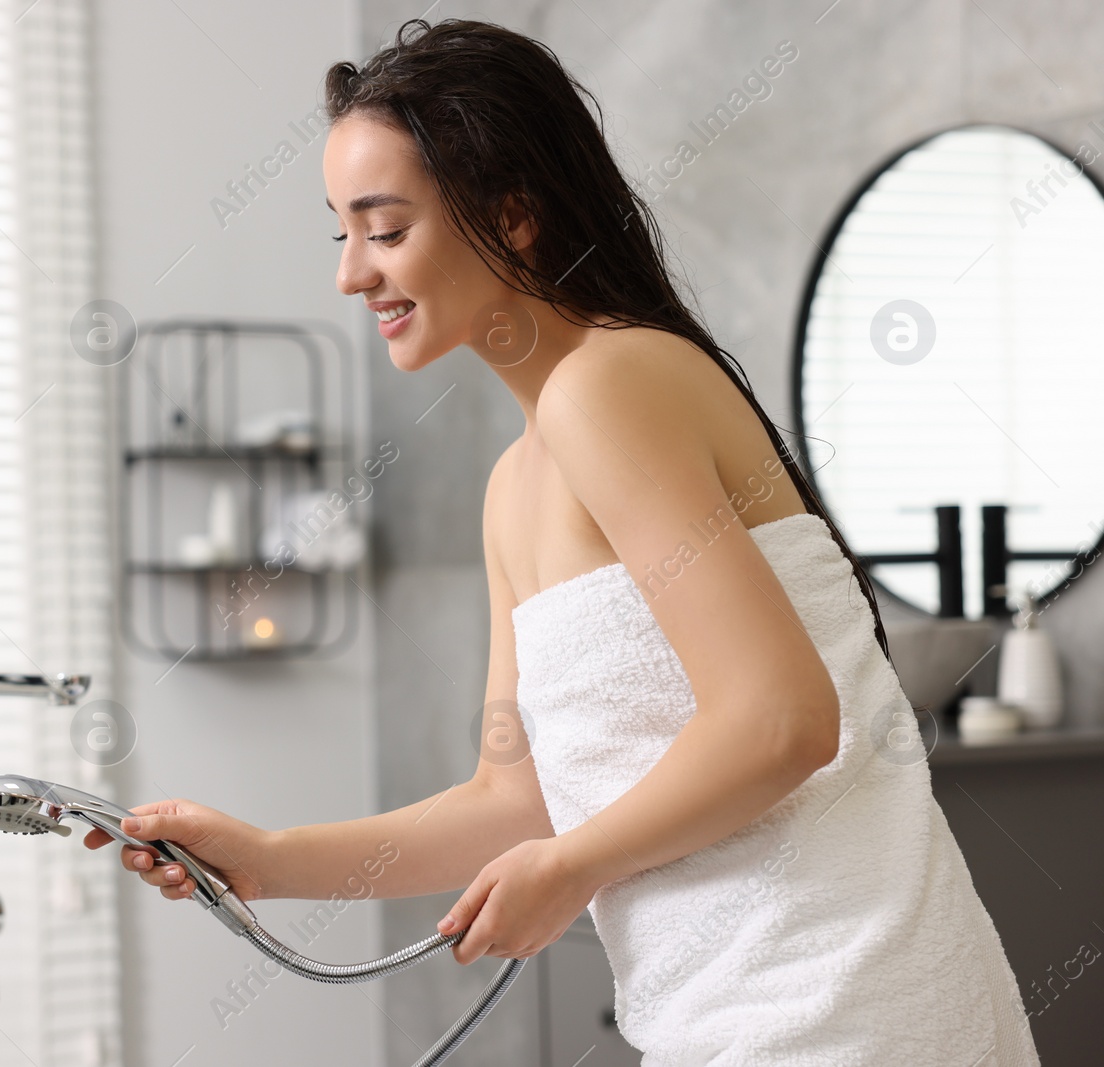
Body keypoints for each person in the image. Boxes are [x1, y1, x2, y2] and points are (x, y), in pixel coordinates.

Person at [85, 18, 1040, 1065]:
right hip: (723, 1020)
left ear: (514, 214)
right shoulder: (516, 482)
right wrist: (267, 861)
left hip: (845, 1007)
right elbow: (518, 796)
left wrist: (573, 865)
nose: (351, 275)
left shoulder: (612, 382)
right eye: (340, 233)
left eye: (386, 228)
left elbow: (783, 720)